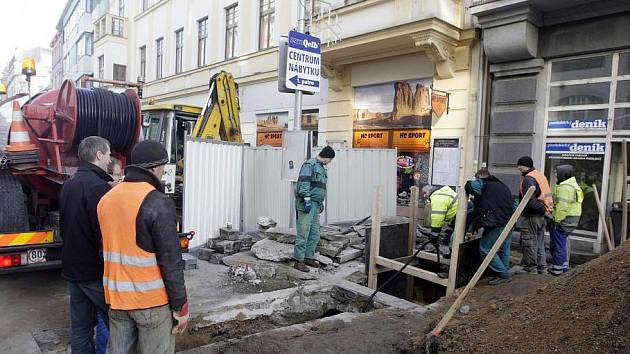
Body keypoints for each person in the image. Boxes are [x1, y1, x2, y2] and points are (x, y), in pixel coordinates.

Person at [97, 140, 188, 354]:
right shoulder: (157, 201)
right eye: (164, 167)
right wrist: (180, 305)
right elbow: (170, 260)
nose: (164, 172)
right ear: (155, 167)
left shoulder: (106, 200)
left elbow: (105, 249)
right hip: (151, 302)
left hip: (117, 300)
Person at [59, 136, 113, 354]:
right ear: (99, 155)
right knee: (118, 322)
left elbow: (64, 226)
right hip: (94, 272)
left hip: (72, 270)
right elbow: (104, 236)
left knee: (80, 328)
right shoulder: (100, 188)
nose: (110, 159)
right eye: (108, 154)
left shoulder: (68, 185)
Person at [465, 168, 514, 285]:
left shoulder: (483, 183)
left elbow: (470, 186)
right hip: (509, 220)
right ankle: (503, 271)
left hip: (496, 222)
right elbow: (514, 205)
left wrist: (467, 183)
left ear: (480, 177)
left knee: (485, 249)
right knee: (504, 249)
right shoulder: (503, 186)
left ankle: (504, 275)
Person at [293, 146, 335, 272]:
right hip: (307, 203)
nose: (330, 162)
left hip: (315, 204)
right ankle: (298, 261)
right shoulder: (309, 165)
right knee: (303, 232)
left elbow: (320, 187)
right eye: (330, 159)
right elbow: (304, 182)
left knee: (314, 233)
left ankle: (308, 257)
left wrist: (320, 202)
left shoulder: (321, 167)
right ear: (326, 156)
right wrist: (306, 199)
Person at [517, 156, 554, 274]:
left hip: (533, 215)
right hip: (543, 214)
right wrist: (545, 211)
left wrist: (541, 210)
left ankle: (531, 269)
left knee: (529, 242)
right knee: (539, 242)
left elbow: (530, 200)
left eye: (519, 165)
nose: (518, 168)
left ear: (525, 165)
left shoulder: (529, 178)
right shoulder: (540, 175)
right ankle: (542, 268)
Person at [550, 164, 583, 276]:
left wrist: (556, 220)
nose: (555, 175)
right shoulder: (571, 185)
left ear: (563, 174)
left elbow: (562, 207)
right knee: (563, 243)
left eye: (557, 173)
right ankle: (564, 267)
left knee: (558, 244)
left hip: (565, 220)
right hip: (572, 218)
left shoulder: (565, 187)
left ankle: (557, 270)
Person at [422, 184, 459, 251]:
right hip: (461, 213)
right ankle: (449, 251)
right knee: (449, 234)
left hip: (463, 214)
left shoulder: (437, 197)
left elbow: (437, 218)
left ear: (428, 191)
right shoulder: (441, 193)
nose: (424, 196)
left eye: (424, 193)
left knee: (455, 238)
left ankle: (452, 254)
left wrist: (434, 236)